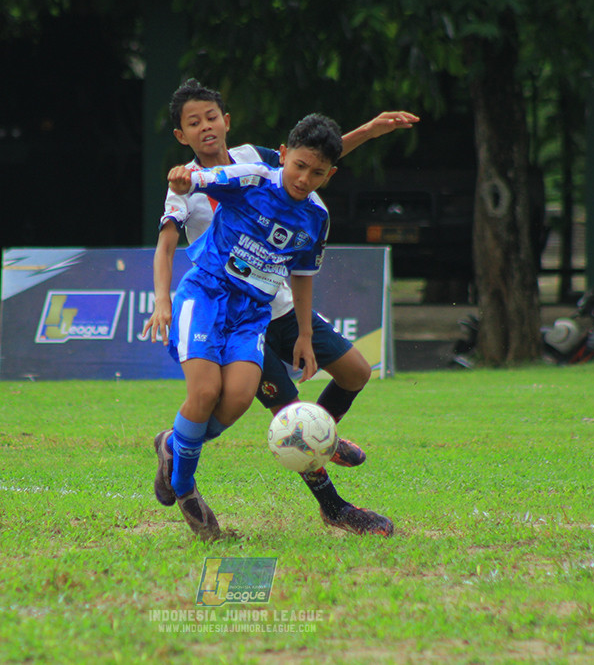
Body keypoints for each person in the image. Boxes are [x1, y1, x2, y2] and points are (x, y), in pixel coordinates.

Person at [143, 79, 417, 536]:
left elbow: (310, 161)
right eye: (194, 122)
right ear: (182, 135)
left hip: (276, 305)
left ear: (225, 121)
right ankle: (333, 506)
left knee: (355, 372)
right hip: (221, 302)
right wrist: (162, 300)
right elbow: (166, 247)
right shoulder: (190, 183)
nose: (206, 127)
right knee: (287, 413)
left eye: (211, 117)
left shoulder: (258, 161)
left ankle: (313, 435)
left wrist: (367, 131)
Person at [152, 113, 342, 541]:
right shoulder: (253, 178)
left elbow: (303, 275)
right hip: (206, 296)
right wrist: (184, 181)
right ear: (283, 155)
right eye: (298, 166)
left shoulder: (316, 217)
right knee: (203, 394)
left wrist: (307, 337)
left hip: (251, 315)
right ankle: (185, 489)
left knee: (235, 399)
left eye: (316, 173)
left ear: (329, 175)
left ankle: (172, 446)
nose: (304, 178)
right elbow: (200, 179)